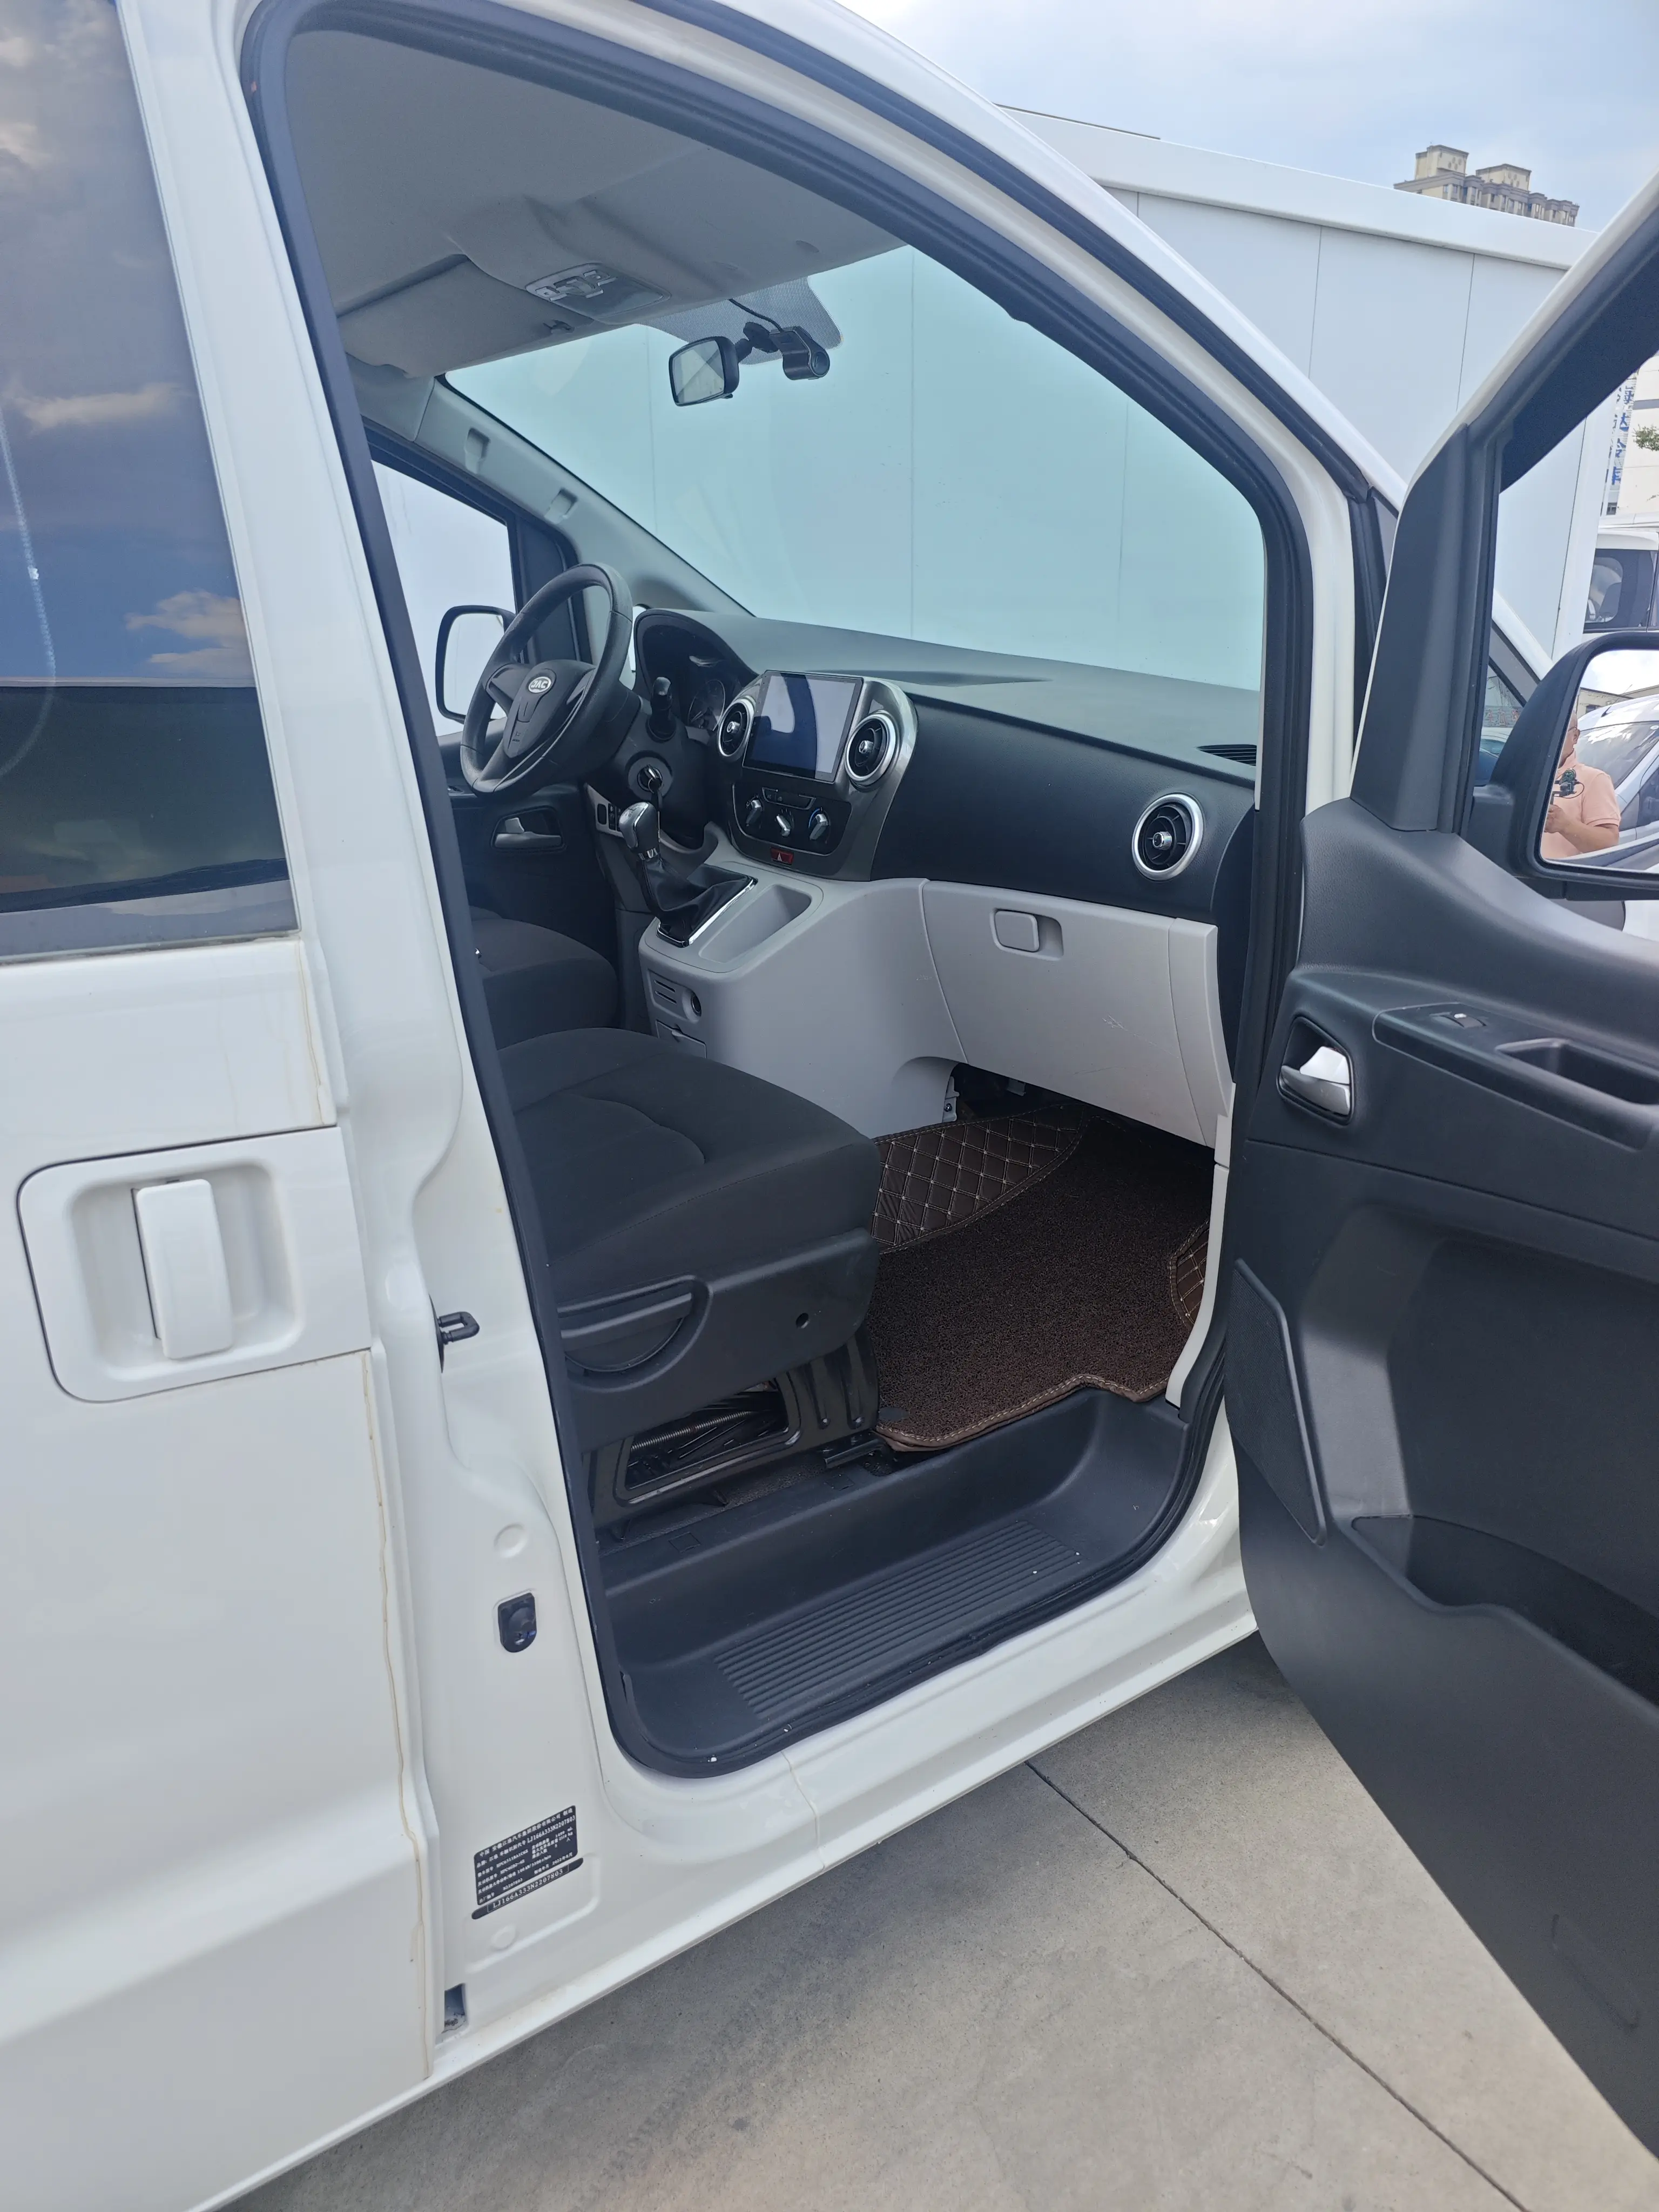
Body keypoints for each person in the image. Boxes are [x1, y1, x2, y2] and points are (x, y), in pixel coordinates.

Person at [1541, 706, 1621, 861]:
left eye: (1559, 731)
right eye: (1545, 732)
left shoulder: (1595, 779)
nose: (1550, 738)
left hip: (1556, 873)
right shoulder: (1524, 775)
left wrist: (1566, 825)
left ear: (1575, 736)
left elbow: (1609, 842)